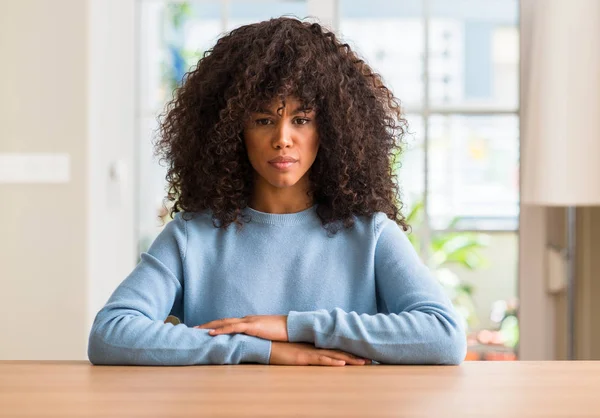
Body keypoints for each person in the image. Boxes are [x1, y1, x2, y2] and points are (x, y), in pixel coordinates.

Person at [88, 17, 466, 366]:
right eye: (263, 120)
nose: (282, 139)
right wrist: (261, 350)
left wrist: (292, 326)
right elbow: (110, 334)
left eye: (301, 120)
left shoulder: (371, 235)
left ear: (331, 130)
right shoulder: (191, 236)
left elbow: (444, 337)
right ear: (231, 132)